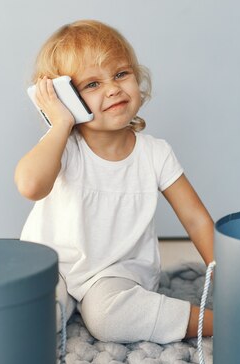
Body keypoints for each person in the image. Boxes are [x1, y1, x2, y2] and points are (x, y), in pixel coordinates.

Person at [15, 19, 214, 344]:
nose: (112, 88)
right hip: (57, 267)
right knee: (29, 315)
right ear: (66, 98)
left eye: (121, 74)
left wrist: (228, 274)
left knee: (109, 317)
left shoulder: (155, 154)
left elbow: (195, 219)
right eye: (92, 84)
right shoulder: (63, 149)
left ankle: (215, 322)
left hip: (118, 272)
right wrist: (60, 124)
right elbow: (30, 185)